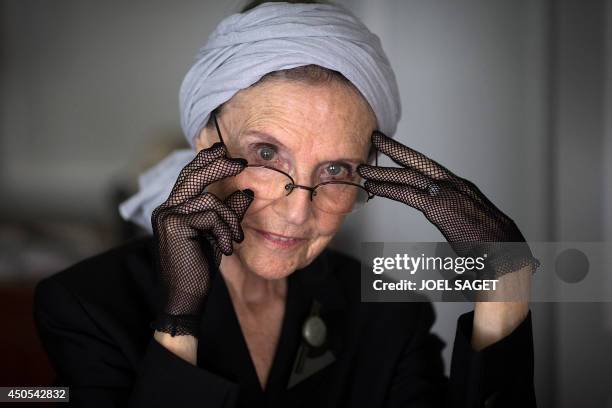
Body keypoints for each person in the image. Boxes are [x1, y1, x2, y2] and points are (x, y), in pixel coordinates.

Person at [33, 1, 539, 407]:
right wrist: (178, 322)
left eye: (336, 169)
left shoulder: (388, 315)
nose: (298, 212)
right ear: (206, 141)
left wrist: (507, 280)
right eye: (267, 153)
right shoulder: (88, 305)